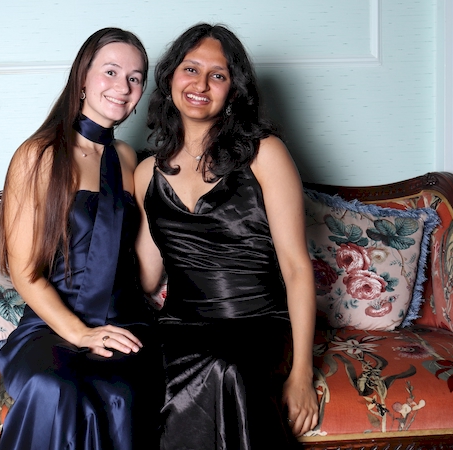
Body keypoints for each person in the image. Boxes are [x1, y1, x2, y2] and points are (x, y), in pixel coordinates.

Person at [134, 23, 319, 448]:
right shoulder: (145, 173)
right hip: (179, 325)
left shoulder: (265, 154)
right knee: (129, 373)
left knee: (222, 367)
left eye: (217, 75)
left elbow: (296, 267)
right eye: (190, 69)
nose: (200, 84)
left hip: (256, 323)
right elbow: (146, 276)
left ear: (234, 91)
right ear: (170, 78)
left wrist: (302, 374)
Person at [0, 28, 162, 450]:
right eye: (111, 71)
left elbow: (142, 276)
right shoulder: (38, 155)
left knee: (118, 394)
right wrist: (81, 333)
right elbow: (24, 271)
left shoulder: (130, 160)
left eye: (135, 78)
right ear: (82, 77)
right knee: (55, 388)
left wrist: (172, 205)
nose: (123, 87)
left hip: (125, 323)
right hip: (52, 325)